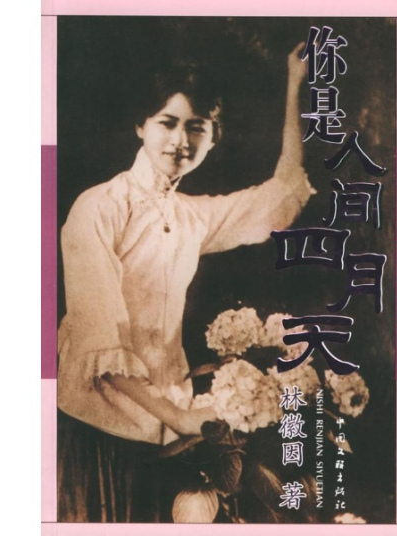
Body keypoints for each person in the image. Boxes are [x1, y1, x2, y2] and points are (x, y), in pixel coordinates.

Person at [57, 43, 316, 522]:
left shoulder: (190, 217)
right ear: (141, 126)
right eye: (167, 122)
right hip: (100, 428)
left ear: (213, 139)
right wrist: (178, 416)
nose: (180, 140)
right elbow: (98, 339)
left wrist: (294, 84)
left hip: (168, 433)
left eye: (197, 127)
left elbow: (280, 196)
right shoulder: (97, 208)